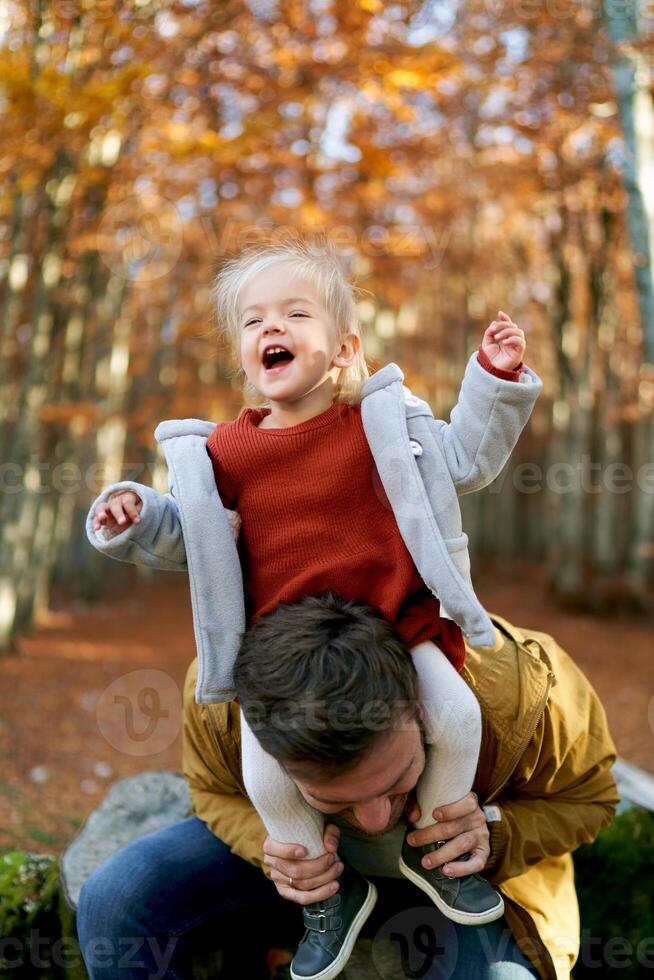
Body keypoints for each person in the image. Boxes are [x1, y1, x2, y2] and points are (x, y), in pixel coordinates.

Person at [86, 234, 543, 980]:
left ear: (341, 347)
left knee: (456, 719)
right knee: (269, 779)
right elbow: (192, 539)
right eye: (254, 321)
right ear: (242, 356)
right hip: (286, 661)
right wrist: (135, 516)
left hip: (397, 631)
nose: (272, 328)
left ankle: (439, 845)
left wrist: (495, 378)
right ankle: (325, 893)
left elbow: (469, 459)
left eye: (295, 314)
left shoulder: (379, 424)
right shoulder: (227, 453)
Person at [76, 593, 619, 980]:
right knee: (115, 902)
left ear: (424, 711)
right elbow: (213, 792)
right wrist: (277, 856)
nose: (378, 820)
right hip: (317, 891)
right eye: (334, 800)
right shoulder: (221, 695)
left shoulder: (526, 689)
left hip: (468, 892)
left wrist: (494, 835)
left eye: (400, 780)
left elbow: (591, 798)